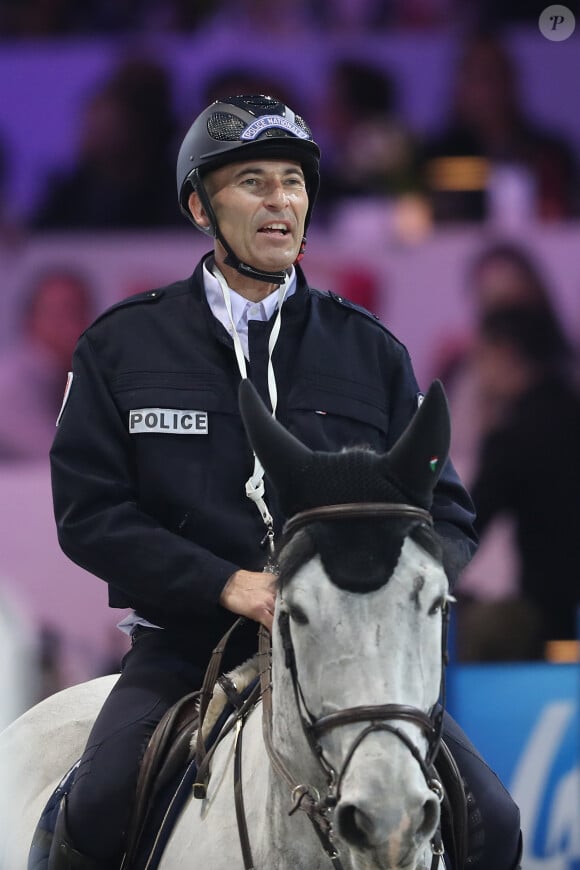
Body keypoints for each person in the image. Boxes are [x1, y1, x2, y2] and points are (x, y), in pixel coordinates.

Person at [47, 94, 522, 868]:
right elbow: (90, 514)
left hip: (356, 652)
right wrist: (224, 583)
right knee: (96, 807)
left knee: (492, 820)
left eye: (293, 183)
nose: (280, 201)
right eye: (254, 182)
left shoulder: (370, 351)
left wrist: (393, 589)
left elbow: (450, 518)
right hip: (188, 643)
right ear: (200, 206)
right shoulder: (121, 345)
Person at [458, 304, 580, 659]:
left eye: (480, 357)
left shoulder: (515, 434)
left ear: (504, 353)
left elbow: (468, 526)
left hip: (551, 614)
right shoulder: (570, 410)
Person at [0, 266, 95, 461]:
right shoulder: (9, 384)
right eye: (65, 311)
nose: (77, 324)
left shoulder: (68, 377)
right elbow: (58, 460)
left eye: (82, 310)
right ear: (30, 320)